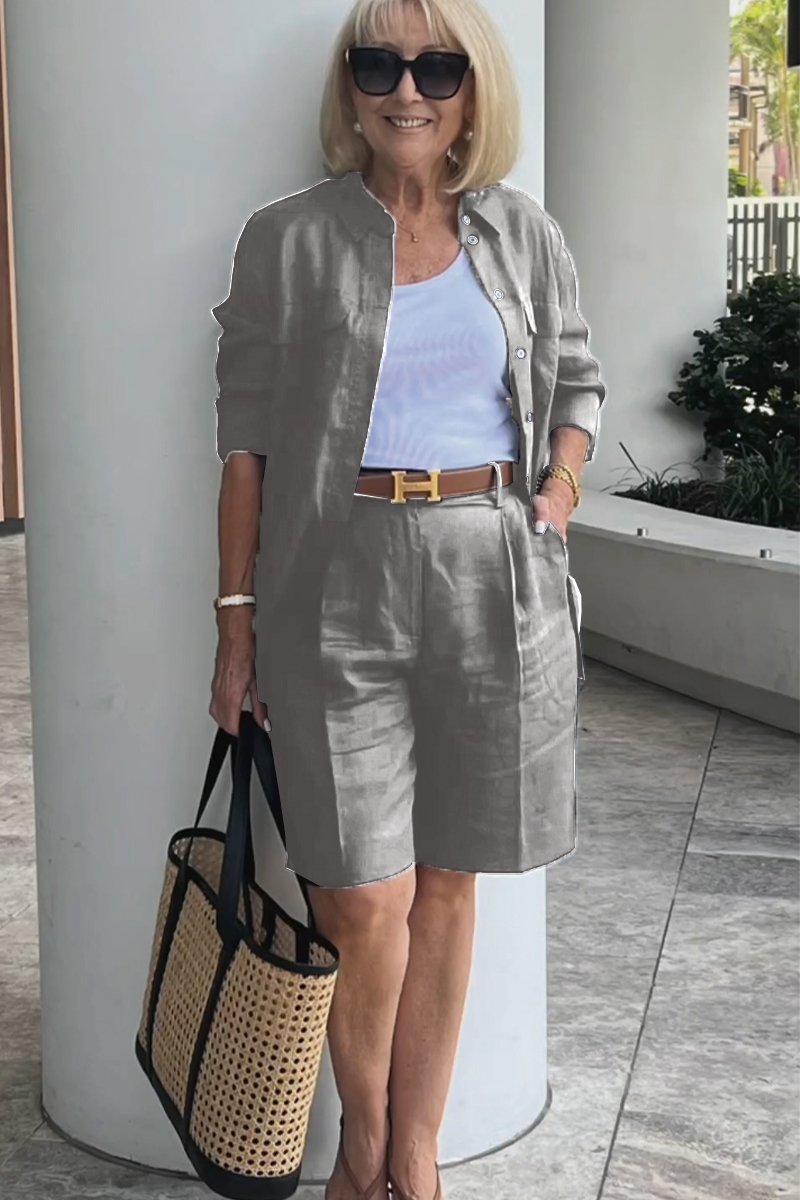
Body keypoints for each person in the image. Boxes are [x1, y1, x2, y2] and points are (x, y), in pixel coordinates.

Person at [209, 1, 606, 1196]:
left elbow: (576, 381)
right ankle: (366, 1139)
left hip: (493, 569)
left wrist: (554, 498)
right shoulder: (287, 238)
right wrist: (234, 626)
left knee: (446, 879)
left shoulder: (522, 232)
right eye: (378, 63)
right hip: (335, 574)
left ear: (473, 89)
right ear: (351, 82)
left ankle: (415, 1153)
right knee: (363, 889)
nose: (406, 90)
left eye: (437, 67)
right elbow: (244, 445)